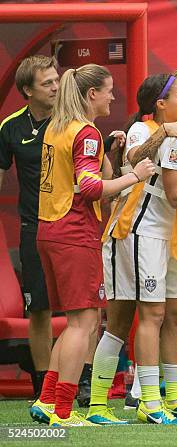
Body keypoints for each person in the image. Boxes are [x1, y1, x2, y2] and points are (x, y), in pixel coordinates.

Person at [31, 63, 155, 427]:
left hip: (50, 229)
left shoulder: (58, 127)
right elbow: (91, 188)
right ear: (91, 95)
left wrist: (111, 159)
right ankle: (64, 411)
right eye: (109, 90)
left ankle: (47, 400)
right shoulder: (85, 132)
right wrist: (136, 175)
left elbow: (85, 175)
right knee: (83, 324)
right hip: (74, 232)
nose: (113, 97)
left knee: (75, 323)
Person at [85, 74, 177, 425]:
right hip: (137, 231)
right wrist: (164, 132)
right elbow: (136, 154)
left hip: (171, 237)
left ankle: (175, 398)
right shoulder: (143, 128)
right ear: (160, 104)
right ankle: (140, 402)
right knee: (128, 321)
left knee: (175, 315)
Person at [0, 55, 58, 401]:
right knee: (39, 309)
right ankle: (43, 391)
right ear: (26, 90)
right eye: (47, 83)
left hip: (71, 227)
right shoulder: (10, 127)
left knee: (85, 312)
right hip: (33, 228)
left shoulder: (72, 122)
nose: (54, 87)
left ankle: (76, 384)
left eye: (56, 80)